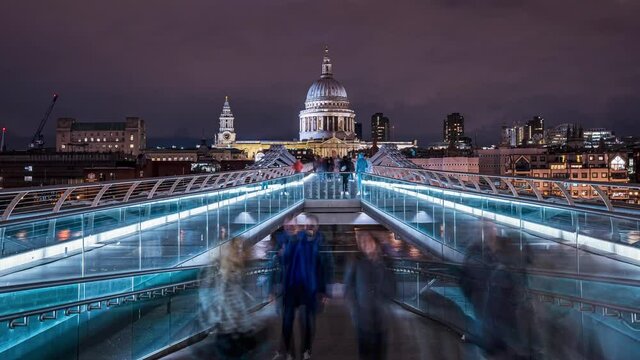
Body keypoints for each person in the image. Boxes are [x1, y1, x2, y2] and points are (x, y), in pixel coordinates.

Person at [272, 215, 330, 360]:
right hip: (290, 287)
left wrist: (323, 290)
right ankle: (288, 352)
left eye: (293, 225)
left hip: (307, 287)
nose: (291, 228)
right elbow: (280, 262)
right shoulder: (287, 240)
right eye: (288, 226)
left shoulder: (309, 240)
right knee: (288, 321)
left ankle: (305, 350)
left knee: (307, 321)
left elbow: (321, 265)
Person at [201, 237, 261, 359]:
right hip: (227, 329)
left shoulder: (235, 270)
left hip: (236, 328)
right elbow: (214, 299)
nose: (240, 252)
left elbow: (238, 300)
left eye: (241, 249)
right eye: (237, 249)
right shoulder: (219, 271)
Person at [345, 230, 394, 360]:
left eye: (368, 241)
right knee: (365, 352)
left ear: (375, 242)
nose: (365, 244)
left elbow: (392, 285)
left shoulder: (385, 262)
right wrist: (355, 308)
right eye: (362, 242)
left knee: (380, 352)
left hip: (381, 315)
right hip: (363, 316)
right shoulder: (356, 261)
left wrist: (386, 301)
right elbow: (348, 287)